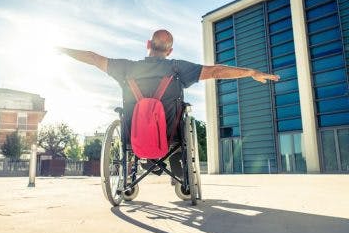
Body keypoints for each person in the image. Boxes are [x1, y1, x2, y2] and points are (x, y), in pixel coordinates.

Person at [58, 29, 279, 175]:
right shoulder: (177, 68)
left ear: (148, 44)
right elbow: (216, 71)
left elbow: (94, 58)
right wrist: (250, 72)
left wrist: (62, 50)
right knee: (180, 117)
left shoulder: (125, 68)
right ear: (170, 50)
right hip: (170, 137)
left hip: (132, 136)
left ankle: (141, 163)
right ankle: (175, 163)